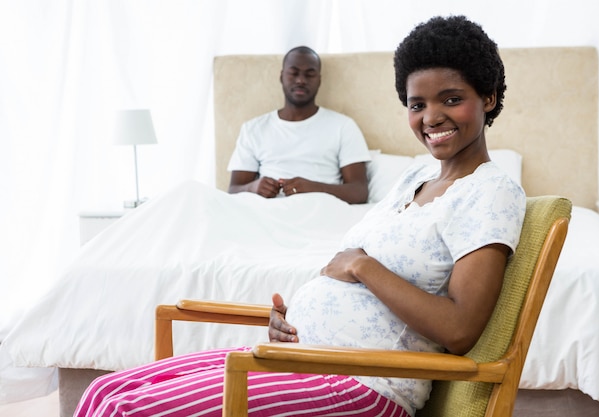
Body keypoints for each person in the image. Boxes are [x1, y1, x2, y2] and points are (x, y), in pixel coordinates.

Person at [74, 15, 526, 417]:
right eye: (416, 104)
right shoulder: (414, 177)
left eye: (450, 99)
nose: (431, 117)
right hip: (303, 356)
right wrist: (296, 316)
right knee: (106, 389)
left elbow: (461, 329)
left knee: (124, 408)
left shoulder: (490, 192)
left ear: (487, 97)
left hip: (362, 383)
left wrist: (360, 265)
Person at [227, 46, 371, 204]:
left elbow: (359, 192)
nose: (301, 80)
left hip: (321, 212)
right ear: (282, 76)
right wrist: (253, 188)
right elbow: (233, 190)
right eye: (294, 73)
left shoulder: (343, 126)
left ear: (319, 80)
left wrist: (314, 188)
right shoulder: (253, 129)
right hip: (267, 214)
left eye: (309, 74)